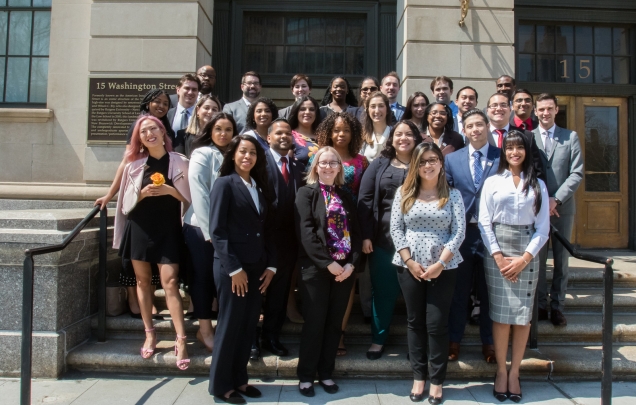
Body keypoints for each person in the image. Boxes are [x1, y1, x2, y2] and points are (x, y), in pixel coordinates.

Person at [112, 115, 191, 370]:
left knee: (169, 282)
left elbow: (192, 200)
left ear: (162, 131)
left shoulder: (180, 161)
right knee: (143, 282)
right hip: (140, 229)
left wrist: (171, 191)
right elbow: (124, 206)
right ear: (140, 138)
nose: (149, 133)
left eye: (153, 128)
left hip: (169, 230)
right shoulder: (133, 164)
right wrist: (141, 195)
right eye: (143, 131)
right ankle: (150, 332)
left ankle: (181, 339)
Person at [390, 142, 466, 404]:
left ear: (440, 163)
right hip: (409, 266)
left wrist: (440, 264)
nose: (428, 165)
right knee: (414, 322)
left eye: (432, 159)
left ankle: (437, 381)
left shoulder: (453, 195)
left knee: (436, 324)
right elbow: (396, 229)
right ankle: (418, 377)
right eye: (422, 161)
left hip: (443, 267)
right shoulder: (404, 193)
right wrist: (410, 262)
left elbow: (458, 232)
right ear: (415, 166)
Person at [479, 130, 549, 403]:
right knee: (500, 315)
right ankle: (500, 371)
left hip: (527, 252)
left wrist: (524, 258)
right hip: (497, 250)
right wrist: (497, 255)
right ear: (504, 152)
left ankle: (515, 372)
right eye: (509, 148)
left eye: (519, 148)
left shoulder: (538, 185)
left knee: (522, 317)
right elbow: (484, 221)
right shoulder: (493, 181)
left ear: (526, 151)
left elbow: (543, 227)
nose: (514, 153)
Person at [208, 135, 276, 404]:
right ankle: (221, 386)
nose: (247, 156)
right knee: (229, 325)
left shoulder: (257, 187)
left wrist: (270, 264)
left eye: (252, 153)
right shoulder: (224, 184)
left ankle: (240, 380)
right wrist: (234, 268)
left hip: (256, 267)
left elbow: (265, 229)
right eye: (242, 152)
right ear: (233, 155)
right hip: (232, 269)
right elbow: (217, 231)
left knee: (248, 326)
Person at [95, 88, 175, 318]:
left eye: (165, 103)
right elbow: (126, 162)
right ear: (147, 103)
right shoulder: (140, 124)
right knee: (135, 259)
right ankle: (133, 298)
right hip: (139, 208)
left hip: (160, 211)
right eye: (156, 102)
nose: (161, 106)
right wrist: (110, 195)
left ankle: (144, 298)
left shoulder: (163, 128)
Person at [295, 146, 362, 397]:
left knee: (335, 324)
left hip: (345, 270)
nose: (328, 166)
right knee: (315, 323)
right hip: (316, 269)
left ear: (339, 167)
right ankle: (305, 376)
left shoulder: (345, 195)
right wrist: (327, 263)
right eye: (323, 162)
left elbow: (355, 233)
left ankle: (325, 373)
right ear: (315, 166)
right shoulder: (306, 193)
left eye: (333, 162)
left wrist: (351, 264)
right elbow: (306, 233)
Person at [358, 120, 424, 360]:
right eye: (398, 134)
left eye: (408, 134)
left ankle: (415, 344)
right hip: (383, 241)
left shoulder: (425, 163)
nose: (403, 138)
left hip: (420, 244)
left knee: (415, 297)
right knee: (383, 292)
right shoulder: (379, 165)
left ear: (416, 138)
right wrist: (366, 235)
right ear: (392, 138)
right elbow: (365, 201)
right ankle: (378, 339)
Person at [445, 109, 500, 364]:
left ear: (488, 126)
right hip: (462, 234)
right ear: (464, 130)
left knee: (489, 291)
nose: (475, 129)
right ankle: (453, 341)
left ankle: (489, 343)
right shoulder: (452, 160)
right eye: (470, 126)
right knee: (458, 290)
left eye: (480, 124)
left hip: (494, 234)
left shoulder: (503, 158)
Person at [313, 111, 368, 356]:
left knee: (347, 284)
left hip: (349, 229)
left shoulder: (361, 162)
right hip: (323, 230)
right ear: (328, 132)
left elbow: (366, 198)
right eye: (336, 130)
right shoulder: (318, 158)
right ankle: (321, 331)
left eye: (346, 129)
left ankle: (339, 334)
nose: (341, 134)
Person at [183, 112, 237, 353]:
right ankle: (204, 330)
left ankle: (225, 330)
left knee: (221, 283)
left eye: (228, 129)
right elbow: (200, 194)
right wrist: (211, 233)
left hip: (230, 231)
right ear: (210, 131)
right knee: (203, 280)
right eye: (219, 129)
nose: (223, 134)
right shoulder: (202, 154)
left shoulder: (236, 155)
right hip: (201, 230)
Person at [256, 119, 306, 359]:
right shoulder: (258, 164)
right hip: (260, 240)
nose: (284, 136)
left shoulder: (297, 167)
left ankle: (271, 337)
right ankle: (250, 339)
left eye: (288, 133)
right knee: (256, 292)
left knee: (279, 292)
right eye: (279, 133)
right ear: (268, 137)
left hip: (287, 243)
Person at [532, 93, 583, 327]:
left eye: (549, 108)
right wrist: (544, 200)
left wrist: (557, 199)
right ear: (535, 111)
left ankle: (557, 307)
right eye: (541, 109)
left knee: (562, 260)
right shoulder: (529, 137)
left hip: (563, 208)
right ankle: (540, 305)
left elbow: (576, 173)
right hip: (537, 208)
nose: (545, 113)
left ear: (556, 110)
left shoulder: (570, 137)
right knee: (538, 259)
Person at [485, 93, 545, 181]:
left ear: (510, 109)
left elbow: (537, 170)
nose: (498, 108)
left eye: (503, 105)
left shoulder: (526, 135)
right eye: (494, 105)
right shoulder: (478, 136)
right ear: (487, 110)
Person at [288, 95, 321, 167]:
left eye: (312, 109)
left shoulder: (323, 136)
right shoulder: (289, 137)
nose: (307, 112)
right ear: (296, 112)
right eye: (302, 109)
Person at [360, 91, 392, 162]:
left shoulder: (394, 134)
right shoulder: (362, 135)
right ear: (368, 110)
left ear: (387, 110)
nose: (377, 111)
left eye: (381, 106)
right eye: (373, 106)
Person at [167, 74, 201, 139]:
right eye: (187, 88)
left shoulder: (201, 115)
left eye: (194, 89)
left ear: (197, 93)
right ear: (178, 90)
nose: (190, 92)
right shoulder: (168, 114)